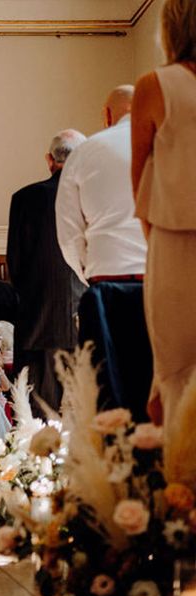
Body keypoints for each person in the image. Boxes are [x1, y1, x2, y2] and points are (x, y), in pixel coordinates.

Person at [56, 86, 152, 420]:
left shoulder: (85, 153)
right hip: (163, 287)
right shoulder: (168, 145)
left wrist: (91, 274)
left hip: (106, 293)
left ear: (107, 115)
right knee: (162, 393)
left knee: (106, 401)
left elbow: (69, 235)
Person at [132, 0, 196, 437]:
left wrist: (157, 243)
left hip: (175, 246)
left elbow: (139, 183)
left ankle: (183, 492)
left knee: (175, 373)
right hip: (171, 241)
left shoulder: (156, 85)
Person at [6, 130, 87, 410]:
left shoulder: (24, 199)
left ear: (49, 160)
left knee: (36, 417)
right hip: (82, 321)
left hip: (35, 322)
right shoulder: (89, 196)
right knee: (83, 413)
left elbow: (15, 265)